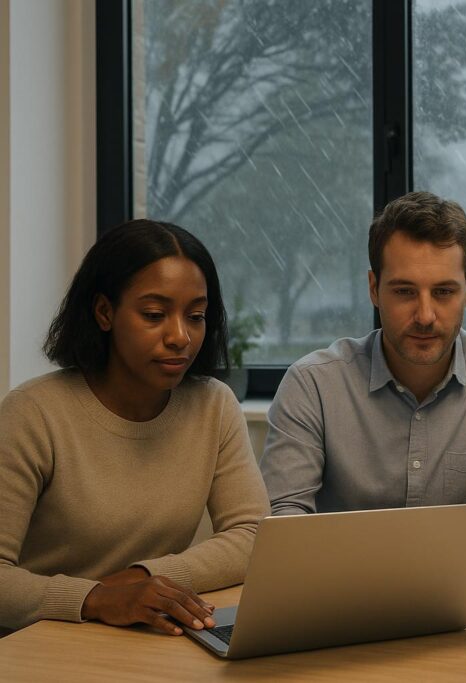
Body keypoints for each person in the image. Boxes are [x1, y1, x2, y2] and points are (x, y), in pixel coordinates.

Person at [259, 191, 466, 586]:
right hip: (341, 600)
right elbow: (285, 514)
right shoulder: (312, 384)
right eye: (404, 291)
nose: (425, 315)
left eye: (444, 292)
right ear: (373, 288)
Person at [0, 219, 270, 635]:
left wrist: (147, 578)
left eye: (196, 316)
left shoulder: (213, 405)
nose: (180, 336)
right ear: (104, 312)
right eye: (154, 314)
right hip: (38, 642)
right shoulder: (33, 414)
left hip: (147, 639)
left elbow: (253, 536)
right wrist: (95, 598)